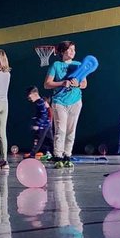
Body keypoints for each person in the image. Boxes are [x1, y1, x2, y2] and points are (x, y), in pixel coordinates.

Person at [43, 40, 86, 168]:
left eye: (74, 49)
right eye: (70, 49)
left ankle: (67, 155)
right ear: (62, 51)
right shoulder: (56, 65)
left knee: (71, 130)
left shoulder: (79, 65)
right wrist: (62, 83)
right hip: (59, 102)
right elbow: (47, 84)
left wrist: (77, 84)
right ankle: (58, 156)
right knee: (60, 130)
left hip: (75, 101)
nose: (73, 52)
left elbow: (84, 84)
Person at [26, 86, 53, 158]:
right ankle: (55, 154)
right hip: (47, 124)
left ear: (35, 94)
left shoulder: (40, 102)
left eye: (29, 95)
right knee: (50, 140)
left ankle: (32, 155)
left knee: (38, 140)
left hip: (43, 126)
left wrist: (38, 125)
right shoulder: (39, 102)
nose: (28, 98)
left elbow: (43, 114)